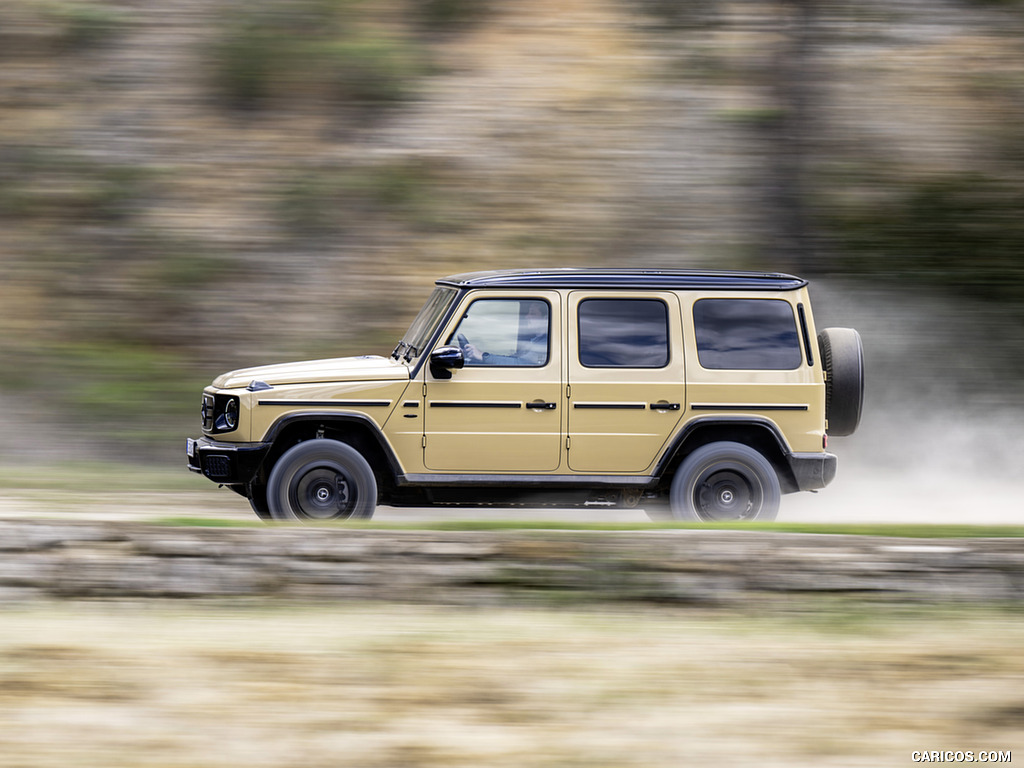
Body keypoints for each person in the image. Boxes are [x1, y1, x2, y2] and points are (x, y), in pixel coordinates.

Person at [460, 302, 548, 366]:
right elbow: (512, 359)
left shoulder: (545, 344)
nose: (527, 316)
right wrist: (476, 357)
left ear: (545, 319)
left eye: (532, 313)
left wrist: (482, 356)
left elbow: (521, 364)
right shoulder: (535, 341)